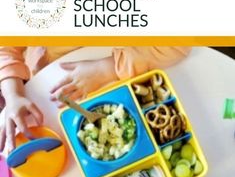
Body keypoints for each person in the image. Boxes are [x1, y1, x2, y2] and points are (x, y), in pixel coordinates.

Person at [0, 46, 190, 152]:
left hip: (128, 67)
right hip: (53, 79)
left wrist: (106, 69)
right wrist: (13, 93)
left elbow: (177, 44)